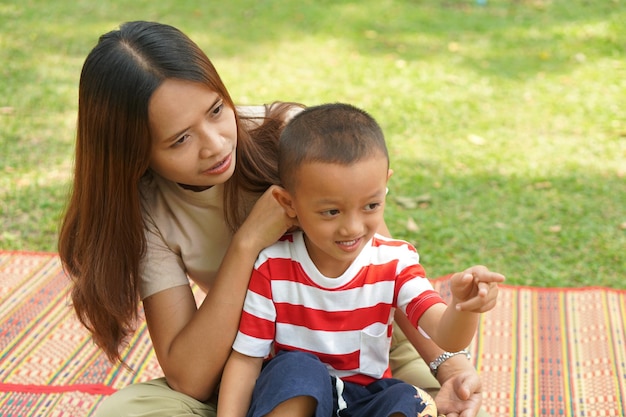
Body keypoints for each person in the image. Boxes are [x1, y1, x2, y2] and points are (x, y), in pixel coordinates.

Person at [58, 21, 498, 417]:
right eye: (180, 139)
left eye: (215, 110)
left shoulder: (288, 137)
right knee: (125, 412)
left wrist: (450, 367)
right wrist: (249, 241)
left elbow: (379, 270)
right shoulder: (147, 210)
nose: (214, 144)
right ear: (135, 155)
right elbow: (191, 379)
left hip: (368, 355)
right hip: (259, 364)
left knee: (411, 403)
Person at [217, 103, 505, 417]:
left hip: (366, 400)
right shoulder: (273, 266)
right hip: (299, 397)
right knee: (297, 370)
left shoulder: (395, 262)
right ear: (288, 203)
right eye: (331, 212)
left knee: (411, 400)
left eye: (370, 205)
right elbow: (246, 360)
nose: (352, 227)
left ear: (385, 186)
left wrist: (464, 308)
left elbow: (444, 335)